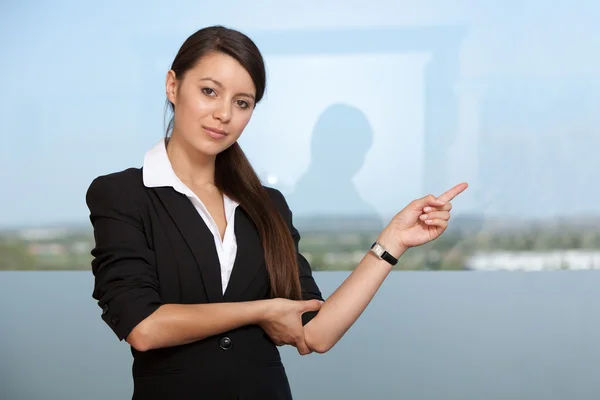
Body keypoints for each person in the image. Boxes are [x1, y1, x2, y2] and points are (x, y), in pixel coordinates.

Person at [85, 25, 468, 400]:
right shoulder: (122, 195)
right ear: (173, 86)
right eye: (208, 92)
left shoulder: (267, 205)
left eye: (242, 102)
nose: (223, 114)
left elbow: (315, 332)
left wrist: (391, 243)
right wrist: (261, 310)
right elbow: (144, 327)